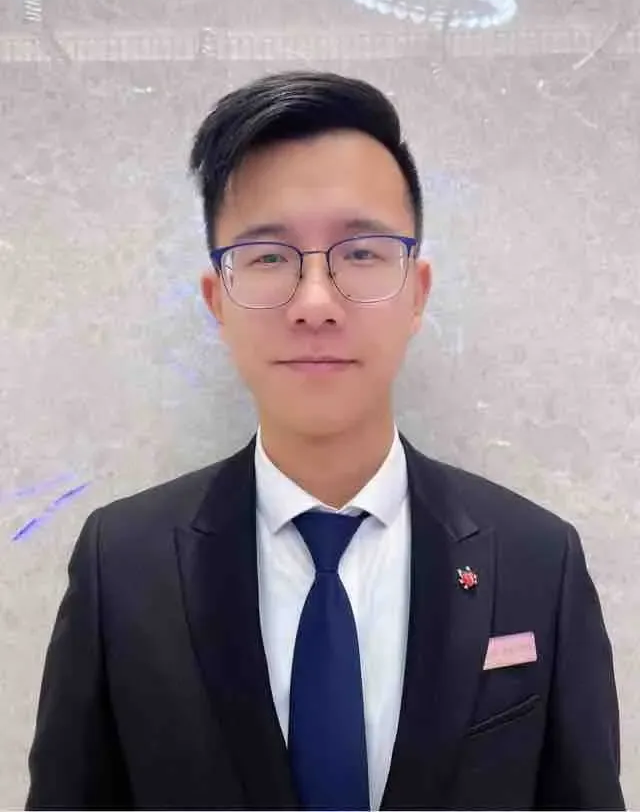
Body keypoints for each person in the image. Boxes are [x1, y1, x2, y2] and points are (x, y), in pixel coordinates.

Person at [26, 70, 624, 811]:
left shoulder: (537, 560)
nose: (315, 303)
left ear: (417, 292)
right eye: (269, 257)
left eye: (362, 253)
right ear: (217, 300)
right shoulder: (122, 566)